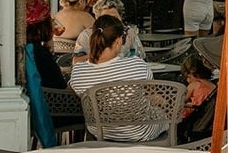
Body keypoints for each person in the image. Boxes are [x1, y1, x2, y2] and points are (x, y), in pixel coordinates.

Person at [68, 14, 164, 143]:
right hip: (139, 131)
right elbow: (151, 92)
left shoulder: (78, 71)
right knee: (164, 106)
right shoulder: (136, 64)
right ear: (119, 41)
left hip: (100, 131)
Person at [72, 0, 145, 63]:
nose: (111, 22)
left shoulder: (129, 34)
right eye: (106, 18)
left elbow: (141, 58)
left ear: (121, 17)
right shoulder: (87, 35)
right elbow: (76, 61)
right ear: (97, 19)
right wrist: (101, 56)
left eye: (115, 18)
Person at [25, 0, 67, 89]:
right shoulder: (39, 53)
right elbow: (59, 85)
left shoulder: (26, 47)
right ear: (43, 25)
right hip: (54, 100)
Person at [180, 54, 216, 120]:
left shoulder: (194, 85)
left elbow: (181, 100)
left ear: (197, 74)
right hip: (207, 117)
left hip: (192, 115)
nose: (188, 80)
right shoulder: (213, 85)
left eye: (189, 77)